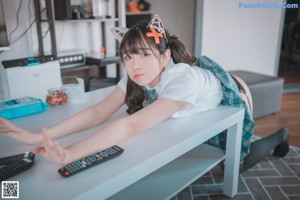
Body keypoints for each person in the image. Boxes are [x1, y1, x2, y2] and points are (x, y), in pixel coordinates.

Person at [0, 15, 289, 173]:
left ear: (164, 58)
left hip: (235, 91)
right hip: (194, 105)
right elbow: (99, 112)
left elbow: (131, 125)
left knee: (235, 164)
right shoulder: (136, 72)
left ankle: (280, 137)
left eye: (141, 55)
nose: (133, 65)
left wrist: (70, 154)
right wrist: (39, 136)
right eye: (127, 57)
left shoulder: (182, 78)